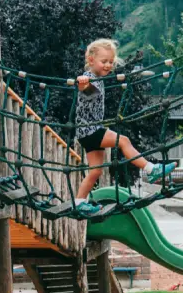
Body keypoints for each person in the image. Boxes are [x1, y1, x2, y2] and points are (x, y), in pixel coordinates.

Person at [72, 38, 174, 216]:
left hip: (86, 132)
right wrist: (82, 82)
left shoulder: (97, 78)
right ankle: (150, 169)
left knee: (95, 171)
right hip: (91, 130)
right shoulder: (89, 78)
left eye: (111, 62)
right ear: (90, 60)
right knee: (123, 141)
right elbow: (84, 87)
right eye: (104, 61)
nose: (108, 65)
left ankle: (80, 202)